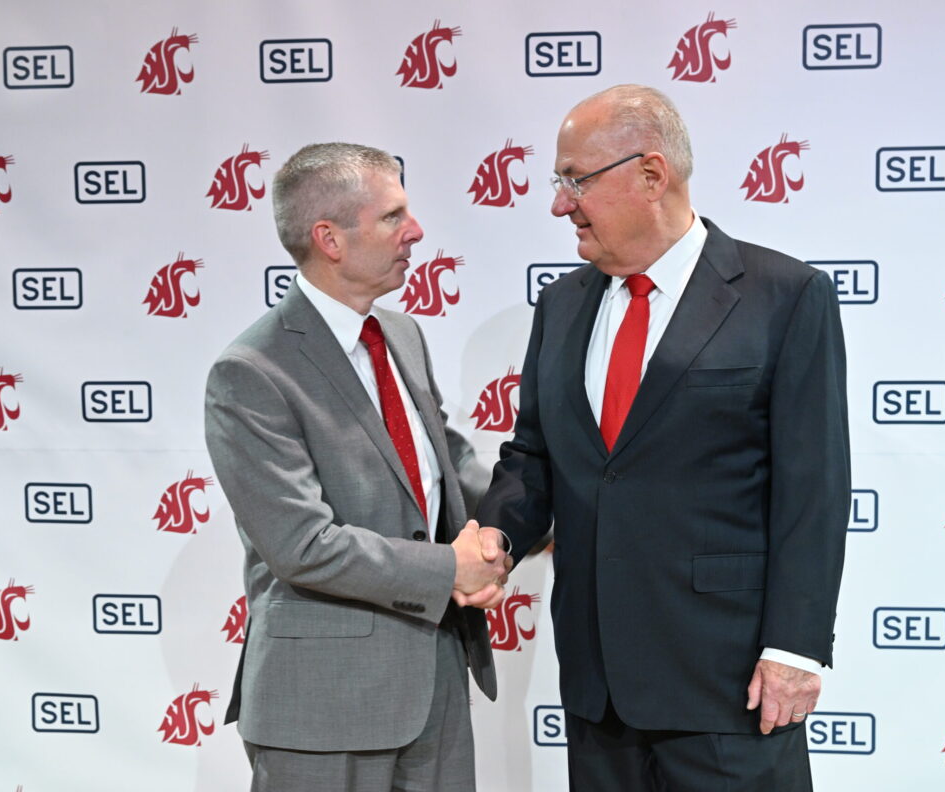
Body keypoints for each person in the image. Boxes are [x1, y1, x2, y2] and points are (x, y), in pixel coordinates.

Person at [476, 85, 850, 790]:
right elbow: (534, 457)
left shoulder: (784, 295)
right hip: (598, 690)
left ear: (653, 175)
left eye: (574, 180)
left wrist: (796, 650)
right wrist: (495, 535)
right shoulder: (562, 304)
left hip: (732, 687)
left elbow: (815, 490)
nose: (560, 203)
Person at [204, 142, 509, 792]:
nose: (417, 231)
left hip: (437, 687)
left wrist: (512, 526)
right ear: (330, 239)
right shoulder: (251, 373)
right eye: (393, 216)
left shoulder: (401, 334)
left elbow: (446, 468)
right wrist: (451, 569)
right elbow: (302, 545)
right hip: (324, 707)